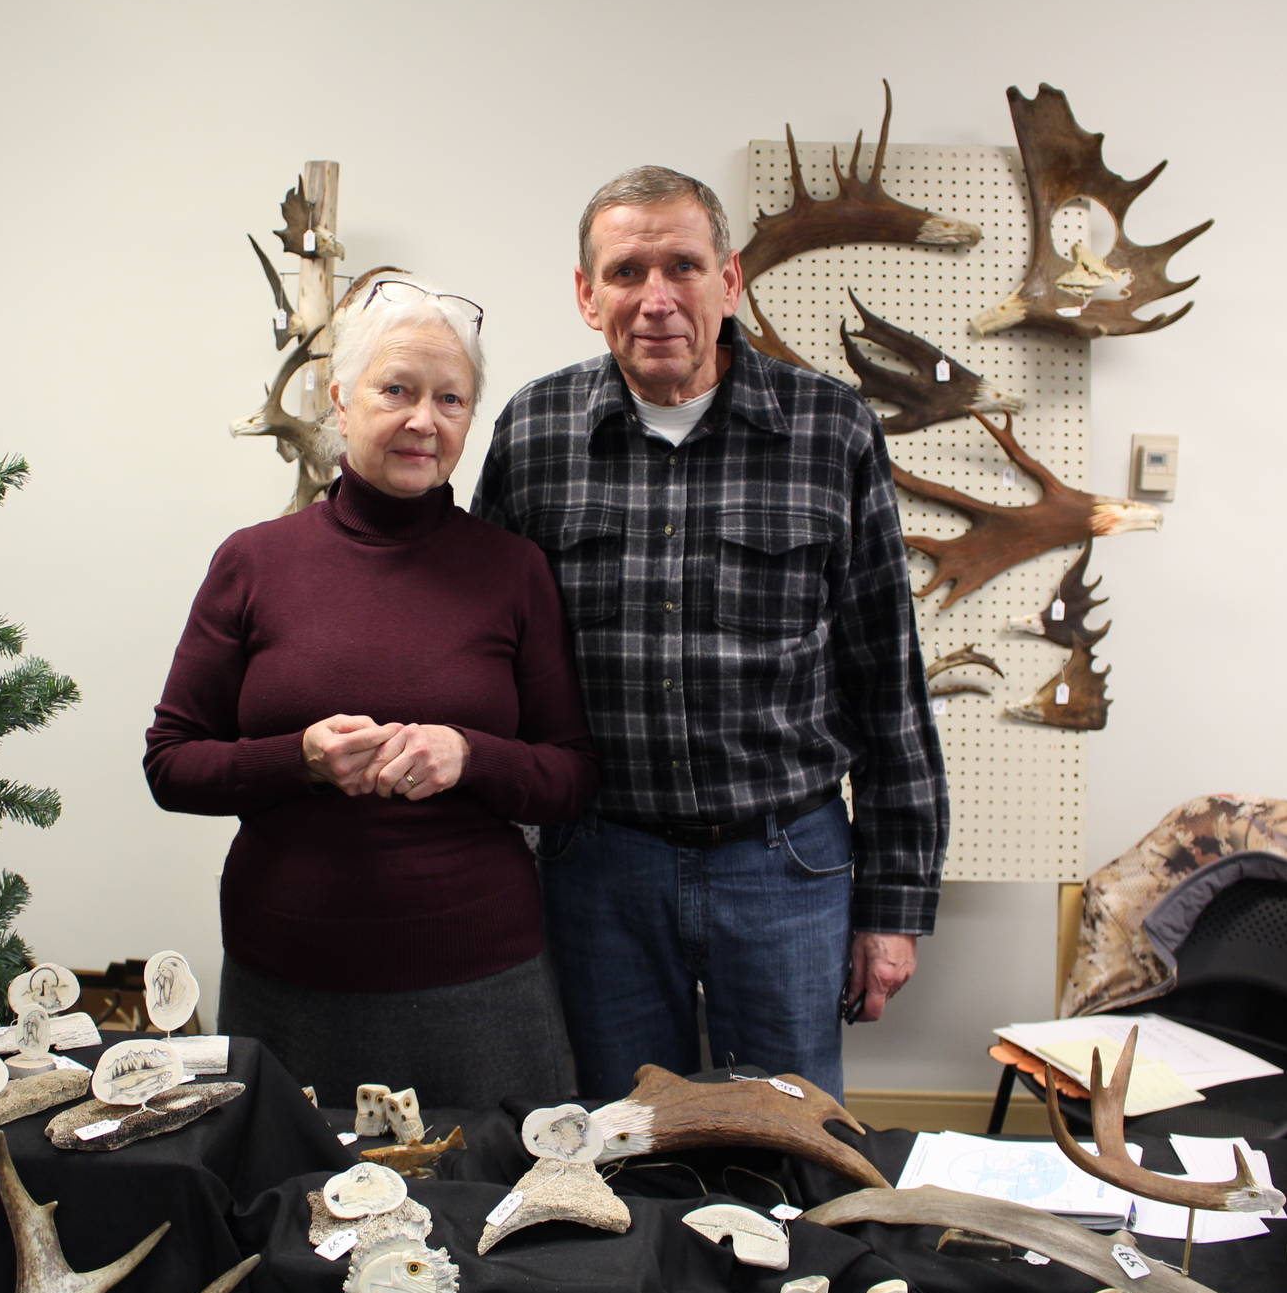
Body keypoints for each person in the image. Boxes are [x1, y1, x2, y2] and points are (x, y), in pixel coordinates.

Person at [471, 166, 947, 1102]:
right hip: (599, 869)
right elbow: (483, 661)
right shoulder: (534, 432)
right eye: (626, 272)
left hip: (786, 863)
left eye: (683, 266)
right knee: (620, 1143)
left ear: (729, 281)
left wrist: (893, 908)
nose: (656, 300)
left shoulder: (830, 430)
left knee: (788, 1147)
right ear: (585, 293)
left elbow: (887, 684)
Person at [144, 275, 597, 1109]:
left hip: (483, 986)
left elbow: (571, 776)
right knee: (290, 1217)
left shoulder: (512, 570)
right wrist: (300, 758)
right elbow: (171, 763)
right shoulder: (254, 561)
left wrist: (470, 756)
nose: (424, 419)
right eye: (397, 389)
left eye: (451, 398)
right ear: (341, 401)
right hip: (289, 976)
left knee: (485, 1217)